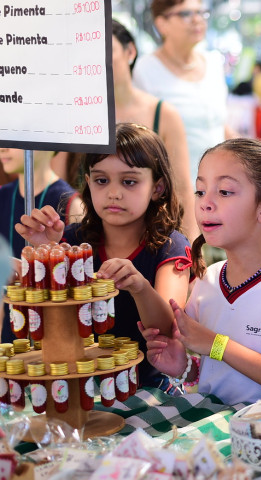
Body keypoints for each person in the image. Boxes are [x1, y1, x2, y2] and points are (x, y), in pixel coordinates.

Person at [140, 139, 261, 405]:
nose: (206, 203)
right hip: (211, 426)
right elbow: (207, 373)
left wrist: (218, 345)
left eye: (225, 192)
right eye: (200, 191)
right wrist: (181, 366)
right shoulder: (207, 281)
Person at [16, 123, 192, 388]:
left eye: (129, 181)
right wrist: (45, 253)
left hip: (148, 389)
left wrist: (140, 286)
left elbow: (167, 328)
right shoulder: (72, 242)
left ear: (158, 187)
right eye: (101, 180)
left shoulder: (171, 246)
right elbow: (51, 317)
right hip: (75, 387)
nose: (113, 192)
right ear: (88, 183)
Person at [110, 19, 195, 240]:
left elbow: (183, 189)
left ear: (130, 51)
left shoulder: (164, 114)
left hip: (153, 240)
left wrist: (192, 250)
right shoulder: (81, 115)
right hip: (92, 239)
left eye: (107, 50)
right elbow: (61, 182)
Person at [133, 0, 234, 183]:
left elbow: (220, 125)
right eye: (186, 14)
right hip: (174, 185)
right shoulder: (146, 69)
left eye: (201, 12)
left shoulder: (212, 63)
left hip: (219, 183)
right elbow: (142, 140)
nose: (197, 20)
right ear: (162, 24)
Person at [1, 148, 85, 342]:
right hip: (11, 336)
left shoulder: (73, 205)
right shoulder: (3, 196)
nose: (3, 146)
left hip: (59, 335)